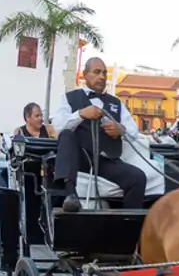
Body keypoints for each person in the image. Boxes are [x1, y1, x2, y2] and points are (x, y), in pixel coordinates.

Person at [50, 57, 147, 213]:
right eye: (96, 72)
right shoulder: (69, 98)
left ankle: (128, 229)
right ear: (85, 75)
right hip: (79, 158)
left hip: (105, 160)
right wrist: (80, 114)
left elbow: (134, 131)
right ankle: (71, 195)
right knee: (67, 134)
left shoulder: (116, 104)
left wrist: (121, 129)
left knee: (138, 177)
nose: (102, 77)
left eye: (104, 73)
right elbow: (58, 128)